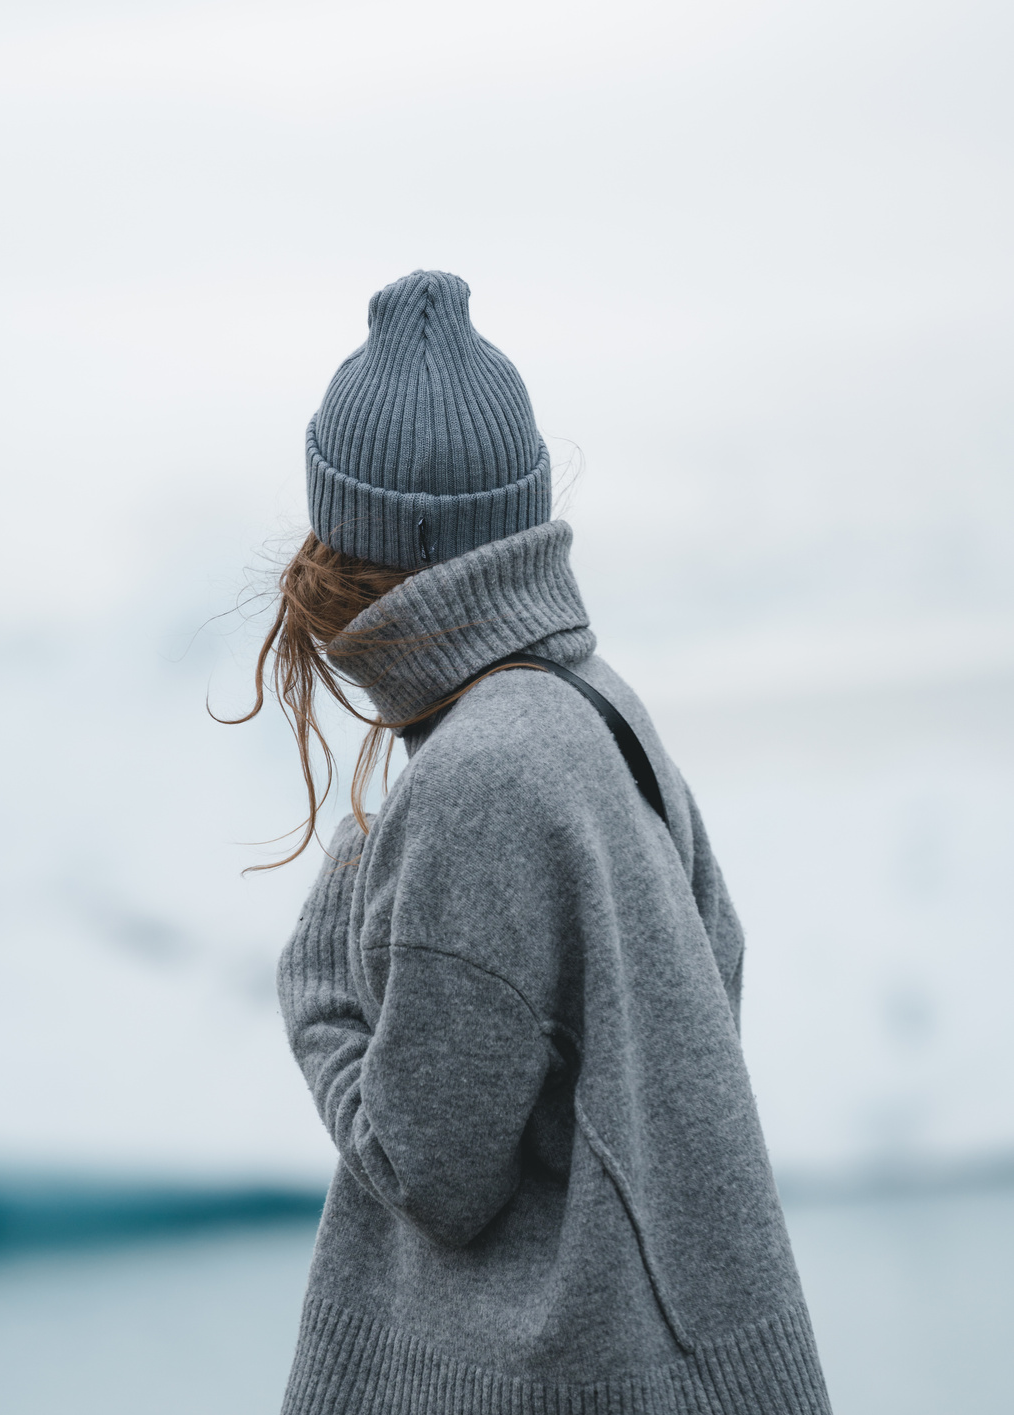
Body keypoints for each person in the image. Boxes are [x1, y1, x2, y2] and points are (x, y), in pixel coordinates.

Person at [238, 270, 831, 1414]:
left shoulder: (480, 773)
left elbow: (434, 1170)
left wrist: (318, 984)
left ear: (359, 533)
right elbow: (717, 972)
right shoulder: (591, 704)